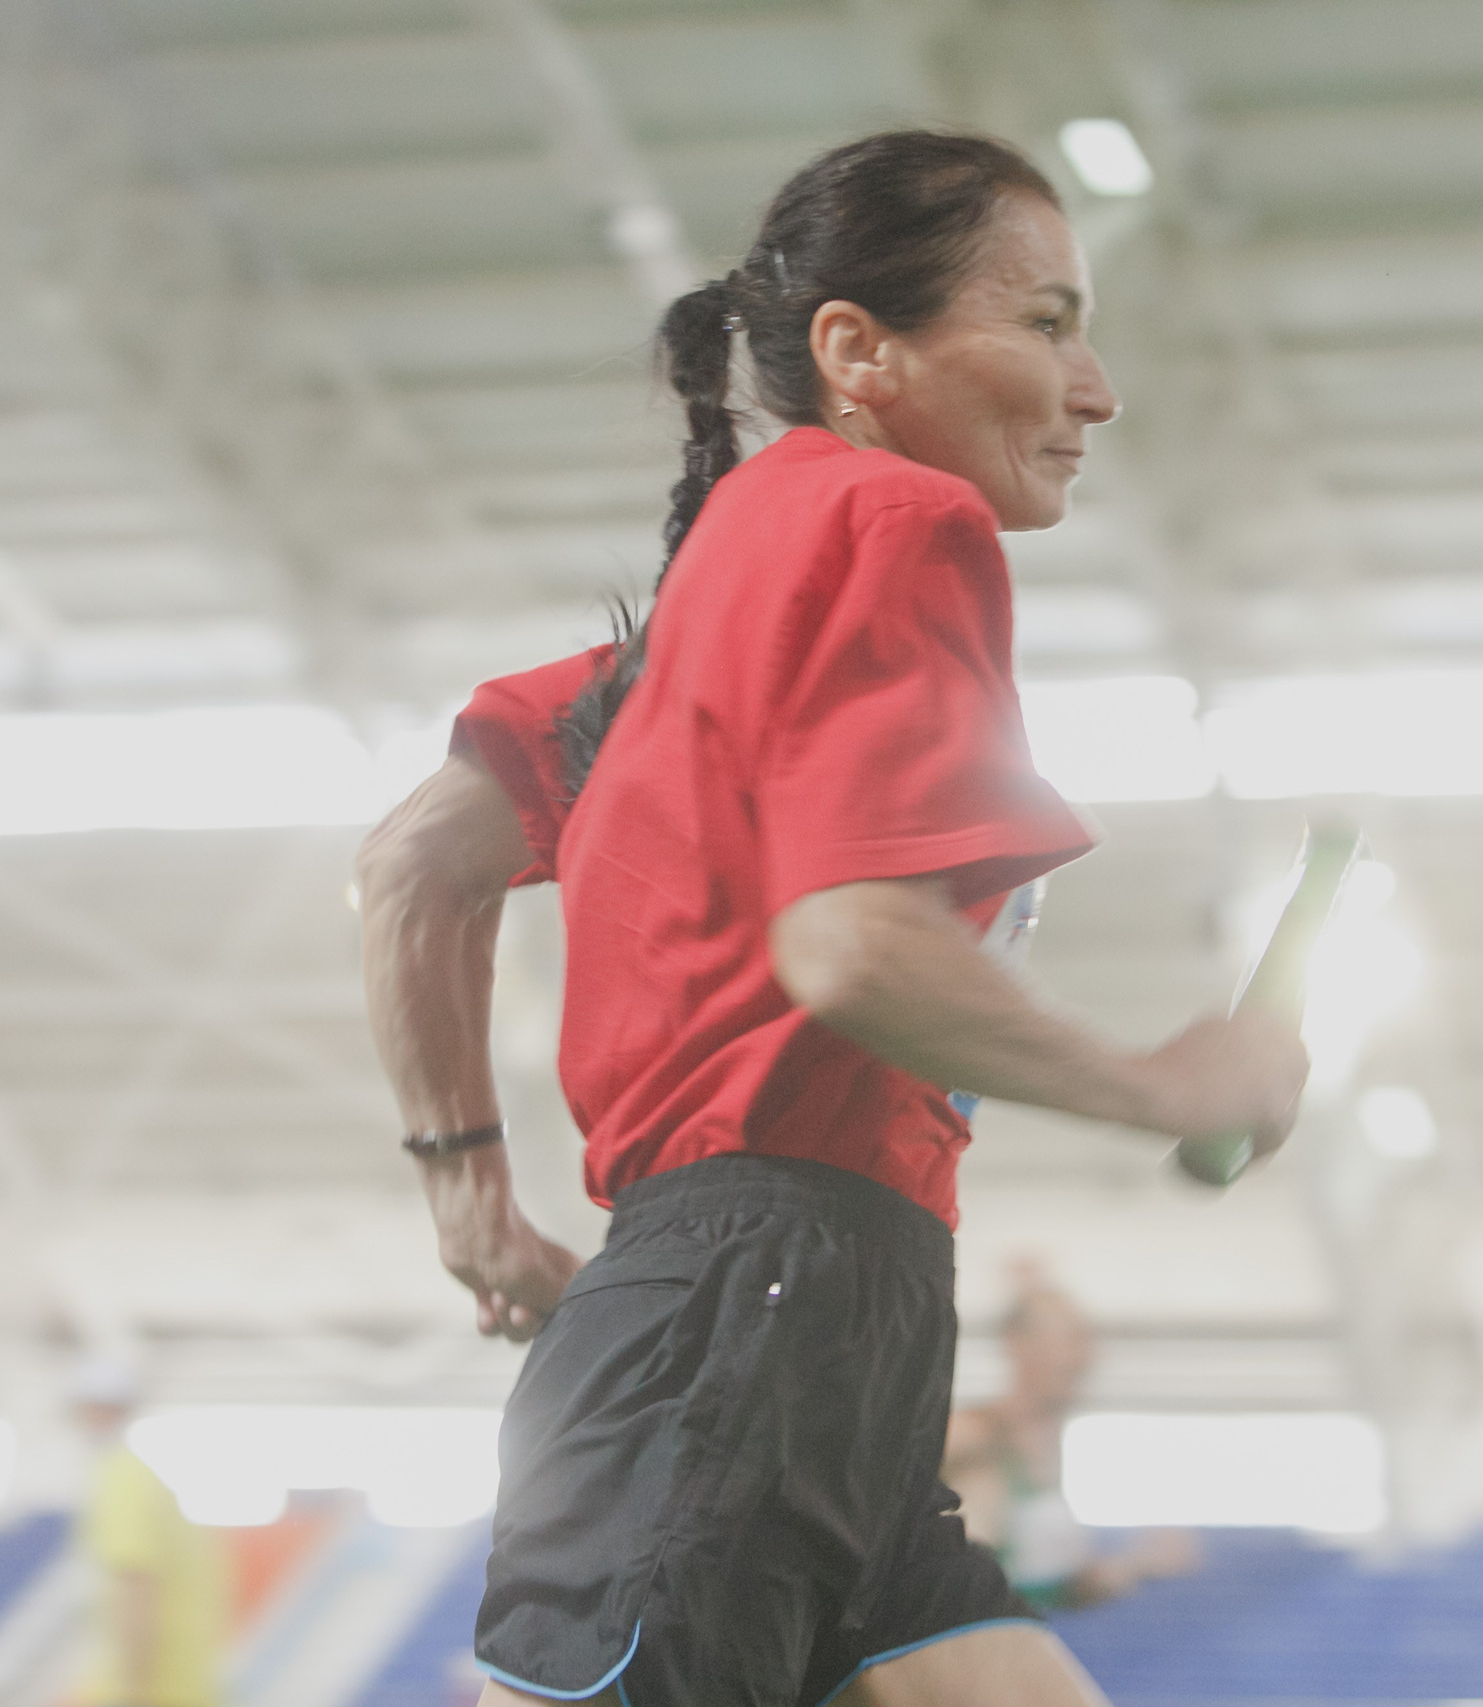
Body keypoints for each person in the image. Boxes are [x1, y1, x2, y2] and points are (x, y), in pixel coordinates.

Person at [356, 129, 1309, 1707]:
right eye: (1050, 324)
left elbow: (412, 870)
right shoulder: (891, 520)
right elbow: (851, 944)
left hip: (825, 1334)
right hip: (752, 1312)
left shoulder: (677, 640)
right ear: (859, 352)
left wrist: (467, 1197)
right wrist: (1167, 1083)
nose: (1098, 391)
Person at [943, 1270, 1199, 1612]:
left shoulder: (1048, 1448)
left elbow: (1043, 1588)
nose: (1083, 1357)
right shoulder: (973, 1435)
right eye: (1068, 1340)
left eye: (1086, 1342)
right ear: (1018, 1345)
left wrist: (1138, 1564)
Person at [70, 1358, 231, 1707]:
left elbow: (135, 1586)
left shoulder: (122, 1480)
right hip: (186, 1686)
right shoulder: (149, 1481)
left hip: (152, 1690)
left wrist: (131, 1693)